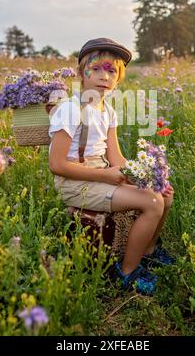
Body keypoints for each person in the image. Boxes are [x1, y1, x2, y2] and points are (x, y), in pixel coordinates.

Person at [49, 37, 175, 296]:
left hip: (102, 175)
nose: (103, 76)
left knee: (162, 196)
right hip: (75, 183)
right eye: (95, 69)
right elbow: (57, 165)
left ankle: (149, 250)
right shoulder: (71, 109)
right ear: (81, 73)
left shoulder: (108, 111)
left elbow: (116, 158)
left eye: (111, 71)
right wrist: (106, 175)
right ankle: (127, 273)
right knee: (151, 204)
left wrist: (145, 178)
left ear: (118, 79)